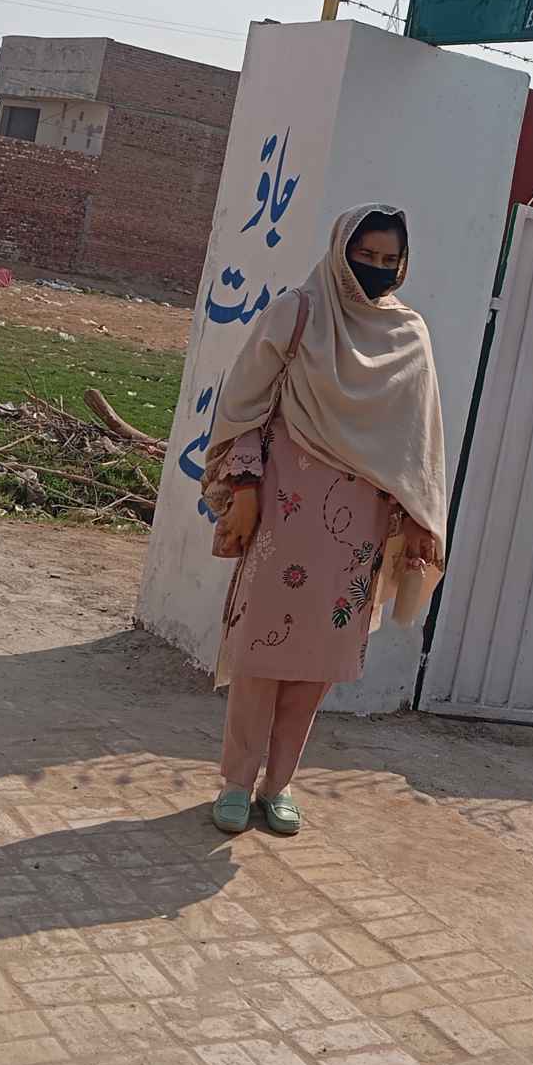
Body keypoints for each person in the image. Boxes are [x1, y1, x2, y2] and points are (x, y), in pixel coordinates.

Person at [199, 204, 446, 836]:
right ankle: (236, 781)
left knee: (318, 660)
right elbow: (245, 405)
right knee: (260, 652)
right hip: (284, 510)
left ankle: (279, 784)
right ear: (342, 252)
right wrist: (245, 490)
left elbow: (418, 441)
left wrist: (420, 517)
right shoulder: (297, 313)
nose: (377, 269)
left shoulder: (409, 333)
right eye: (366, 256)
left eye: (390, 260)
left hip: (359, 528)